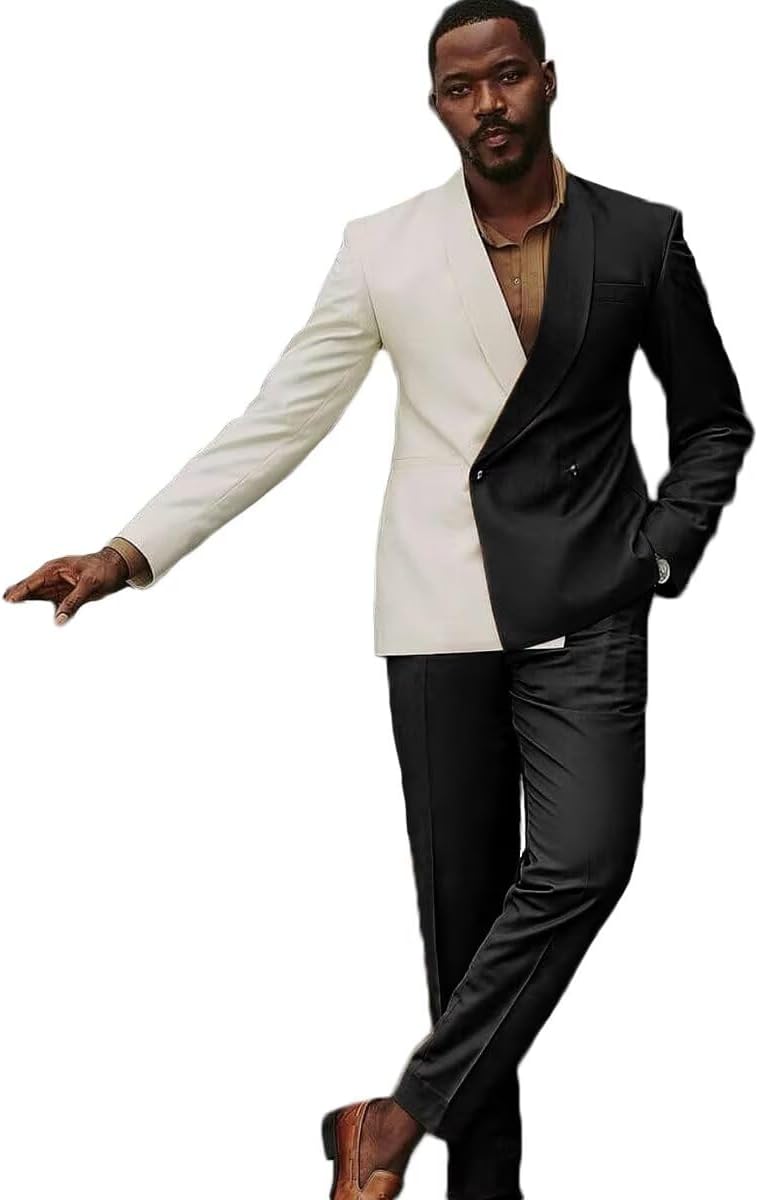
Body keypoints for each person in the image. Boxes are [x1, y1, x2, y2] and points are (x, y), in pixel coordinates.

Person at [4, 3, 753, 1198]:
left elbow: (711, 421)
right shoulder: (382, 247)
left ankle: (392, 1121)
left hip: (590, 603)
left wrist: (659, 552)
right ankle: (480, 1186)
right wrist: (129, 550)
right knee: (464, 932)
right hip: (438, 607)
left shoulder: (641, 236)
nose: (486, 103)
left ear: (547, 80)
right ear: (434, 106)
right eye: (459, 87)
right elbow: (279, 418)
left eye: (506, 76)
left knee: (584, 863)